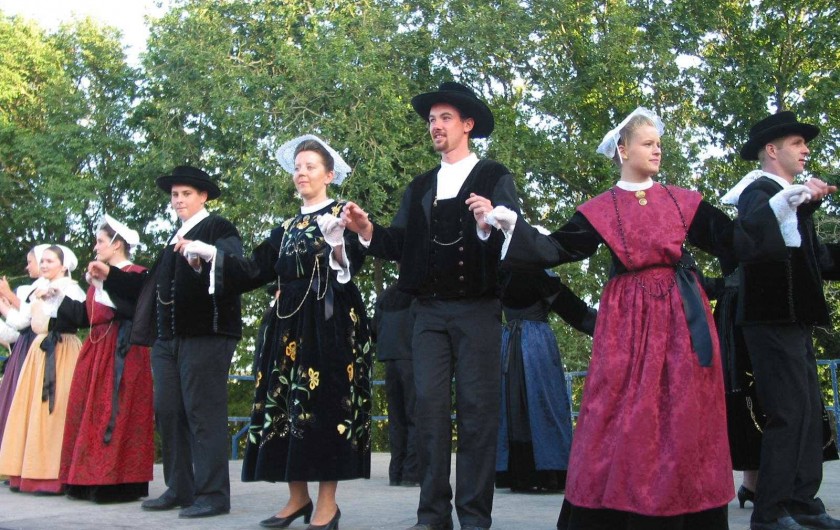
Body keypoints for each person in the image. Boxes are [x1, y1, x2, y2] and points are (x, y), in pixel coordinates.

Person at [487, 107, 734, 529]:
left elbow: (735, 241)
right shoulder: (601, 209)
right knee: (619, 413)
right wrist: (515, 228)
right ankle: (619, 510)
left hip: (681, 321)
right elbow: (557, 249)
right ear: (623, 149)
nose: (657, 149)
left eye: (658, 143)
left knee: (686, 413)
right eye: (647, 143)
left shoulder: (682, 200)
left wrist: (782, 213)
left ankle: (691, 509)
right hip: (628, 325)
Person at [343, 81, 520, 530]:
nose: (435, 126)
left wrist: (492, 221)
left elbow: (512, 237)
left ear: (467, 125)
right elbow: (399, 244)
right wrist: (367, 230)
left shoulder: (494, 176)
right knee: (429, 411)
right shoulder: (420, 186)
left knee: (479, 414)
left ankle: (475, 516)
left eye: (444, 118)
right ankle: (432, 516)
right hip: (428, 313)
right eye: (431, 120)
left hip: (478, 311)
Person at [194, 135, 371, 530]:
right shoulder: (286, 226)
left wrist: (338, 243)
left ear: (329, 174)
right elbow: (255, 269)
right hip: (288, 322)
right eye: (297, 167)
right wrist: (212, 255)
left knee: (327, 405)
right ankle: (296, 498)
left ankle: (327, 504)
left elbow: (350, 266)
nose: (301, 173)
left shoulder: (344, 212)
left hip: (330, 320)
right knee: (286, 404)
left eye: (310, 166)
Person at [87, 166, 243, 518]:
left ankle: (213, 494)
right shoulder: (172, 240)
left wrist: (202, 249)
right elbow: (148, 291)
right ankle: (180, 487)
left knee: (203, 413)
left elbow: (234, 264)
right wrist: (109, 275)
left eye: (186, 194)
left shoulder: (218, 228)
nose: (178, 200)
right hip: (168, 339)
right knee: (169, 412)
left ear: (202, 196)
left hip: (207, 333)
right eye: (175, 195)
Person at [731, 111, 840, 530]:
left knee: (810, 412)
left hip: (795, 321)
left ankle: (801, 500)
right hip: (768, 318)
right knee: (787, 413)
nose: (806, 150)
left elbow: (816, 259)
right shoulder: (758, 193)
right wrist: (799, 206)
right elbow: (754, 240)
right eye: (798, 143)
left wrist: (807, 210)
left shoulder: (793, 198)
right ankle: (770, 510)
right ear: (772, 150)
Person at [58, 215, 154, 503]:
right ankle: (85, 478)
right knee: (89, 411)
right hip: (97, 347)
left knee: (117, 409)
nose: (96, 246)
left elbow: (133, 309)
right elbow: (89, 316)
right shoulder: (99, 275)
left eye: (101, 241)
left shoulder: (137, 273)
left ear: (117, 244)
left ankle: (117, 481)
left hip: (124, 347)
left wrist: (102, 286)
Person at [495, 268, 595, 494]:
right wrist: (607, 326)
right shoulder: (541, 277)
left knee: (516, 406)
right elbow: (574, 311)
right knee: (544, 404)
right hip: (536, 343)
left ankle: (520, 474)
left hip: (510, 343)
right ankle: (549, 472)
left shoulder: (501, 275)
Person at [0, 245, 85, 494]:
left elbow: (82, 316)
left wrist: (58, 296)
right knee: (33, 410)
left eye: (50, 261)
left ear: (63, 265)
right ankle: (31, 472)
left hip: (63, 349)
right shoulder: (37, 289)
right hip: (39, 349)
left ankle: (54, 474)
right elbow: (22, 320)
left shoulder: (71, 288)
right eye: (43, 261)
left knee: (57, 410)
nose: (44, 265)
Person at [0, 244, 49, 447]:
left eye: (30, 262)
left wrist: (8, 297)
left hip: (38, 348)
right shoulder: (30, 288)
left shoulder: (41, 289)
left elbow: (23, 321)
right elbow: (13, 332)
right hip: (24, 346)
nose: (27, 268)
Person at [372, 279, 419, 488]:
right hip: (410, 358)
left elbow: (374, 330)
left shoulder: (384, 296)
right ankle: (411, 473)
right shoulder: (416, 293)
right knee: (414, 417)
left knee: (396, 419)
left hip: (389, 360)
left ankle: (396, 472)